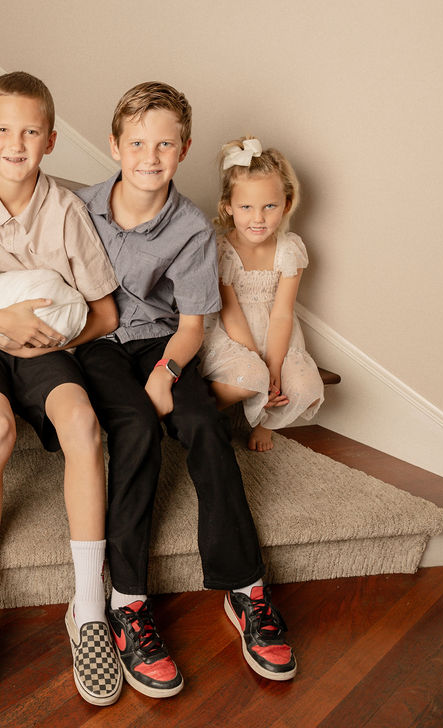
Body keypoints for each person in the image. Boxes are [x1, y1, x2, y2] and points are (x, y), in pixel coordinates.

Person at [74, 83, 298, 695]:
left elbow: (194, 326)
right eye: (138, 143)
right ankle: (127, 602)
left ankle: (247, 587)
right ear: (114, 145)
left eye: (166, 144)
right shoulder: (78, 207)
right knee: (137, 428)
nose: (151, 156)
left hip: (164, 345)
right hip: (94, 343)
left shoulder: (194, 227)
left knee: (202, 423)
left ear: (185, 149)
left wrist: (167, 375)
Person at [0, 71, 123, 719]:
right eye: (4, 130)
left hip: (46, 339)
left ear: (51, 141)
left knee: (83, 426)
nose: (16, 143)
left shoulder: (65, 209)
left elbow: (106, 312)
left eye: (31, 131)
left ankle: (89, 608)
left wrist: (56, 340)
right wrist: (3, 322)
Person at [198, 137, 324, 452]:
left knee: (305, 384)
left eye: (269, 206)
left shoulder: (289, 250)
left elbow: (282, 313)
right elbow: (230, 311)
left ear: (287, 204)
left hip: (276, 333)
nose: (258, 218)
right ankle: (208, 412)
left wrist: (276, 366)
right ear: (228, 206)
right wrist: (260, 364)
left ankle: (265, 423)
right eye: (246, 207)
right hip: (231, 333)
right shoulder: (221, 250)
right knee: (250, 374)